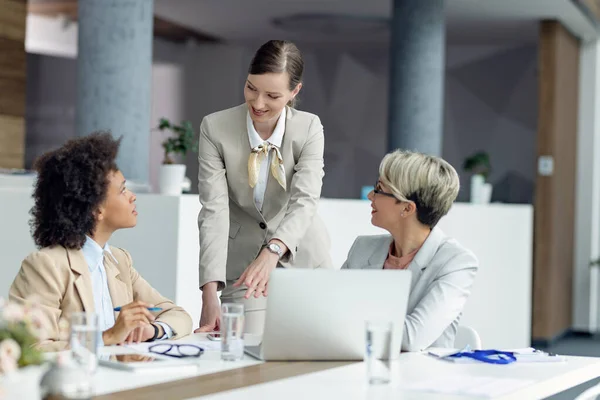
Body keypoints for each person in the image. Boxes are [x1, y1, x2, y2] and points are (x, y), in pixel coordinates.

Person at [9, 133, 192, 351]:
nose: (132, 196)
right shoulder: (46, 266)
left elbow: (179, 316)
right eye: (123, 190)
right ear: (96, 208)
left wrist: (153, 330)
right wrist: (107, 337)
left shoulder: (118, 261)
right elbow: (29, 348)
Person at [196, 40, 331, 334]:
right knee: (241, 356)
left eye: (272, 95)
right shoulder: (215, 128)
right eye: (251, 88)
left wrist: (273, 250)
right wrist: (209, 293)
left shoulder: (309, 128)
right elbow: (214, 211)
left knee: (317, 354)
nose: (258, 103)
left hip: (302, 256)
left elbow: (305, 200)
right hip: (243, 266)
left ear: (294, 92)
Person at [342, 150, 478, 351]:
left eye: (379, 189)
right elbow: (331, 316)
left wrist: (350, 319)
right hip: (358, 372)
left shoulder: (456, 262)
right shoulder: (362, 248)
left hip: (424, 379)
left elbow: (411, 338)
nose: (371, 195)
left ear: (407, 208)